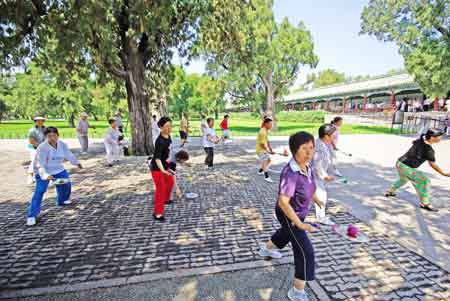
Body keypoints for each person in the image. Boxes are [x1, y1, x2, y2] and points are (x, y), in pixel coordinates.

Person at [258, 131, 324, 301]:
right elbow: (283, 203)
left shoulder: (306, 166)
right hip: (288, 214)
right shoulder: (290, 173)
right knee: (305, 251)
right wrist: (300, 225)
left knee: (286, 233)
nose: (309, 153)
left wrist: (316, 199)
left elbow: (309, 186)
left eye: (311, 148)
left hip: (298, 213)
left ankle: (266, 249)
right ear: (295, 150)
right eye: (304, 149)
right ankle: (297, 291)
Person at [27, 127, 82, 226]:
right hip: (42, 172)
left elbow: (69, 154)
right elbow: (40, 164)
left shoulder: (62, 144)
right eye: (49, 136)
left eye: (54, 135)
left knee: (66, 183)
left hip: (58, 170)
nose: (52, 138)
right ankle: (32, 215)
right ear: (45, 137)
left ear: (58, 135)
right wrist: (46, 175)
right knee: (40, 191)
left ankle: (61, 200)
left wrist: (76, 163)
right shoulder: (42, 147)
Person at [385, 129, 450, 212]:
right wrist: (443, 173)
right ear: (432, 137)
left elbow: (413, 142)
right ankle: (425, 203)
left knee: (403, 179)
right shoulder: (429, 150)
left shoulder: (421, 139)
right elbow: (432, 164)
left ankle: (390, 191)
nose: (441, 138)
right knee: (425, 181)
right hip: (406, 167)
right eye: (439, 136)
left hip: (399, 163)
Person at [150, 117, 174, 221]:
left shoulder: (168, 136)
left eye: (170, 126)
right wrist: (163, 170)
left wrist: (169, 166)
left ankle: (166, 199)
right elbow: (157, 158)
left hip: (165, 165)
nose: (169, 128)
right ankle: (157, 213)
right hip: (157, 168)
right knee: (160, 189)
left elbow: (169, 150)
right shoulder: (159, 141)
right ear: (160, 127)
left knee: (170, 182)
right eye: (166, 126)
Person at [312, 124, 337, 226]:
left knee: (318, 195)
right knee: (321, 195)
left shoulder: (322, 143)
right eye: (333, 135)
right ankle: (321, 218)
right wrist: (324, 176)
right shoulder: (319, 146)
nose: (334, 137)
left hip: (317, 175)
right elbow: (317, 163)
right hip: (314, 175)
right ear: (326, 136)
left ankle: (320, 216)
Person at [26, 116, 47, 184]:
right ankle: (30, 176)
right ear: (35, 122)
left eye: (42, 120)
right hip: (33, 148)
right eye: (38, 121)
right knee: (34, 161)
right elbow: (31, 141)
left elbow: (48, 137)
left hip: (43, 147)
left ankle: (41, 175)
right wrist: (39, 146)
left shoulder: (45, 129)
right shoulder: (32, 130)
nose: (40, 122)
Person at [256, 117, 275, 182]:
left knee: (269, 161)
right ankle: (266, 176)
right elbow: (262, 144)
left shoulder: (265, 130)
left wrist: (270, 149)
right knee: (265, 161)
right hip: (261, 150)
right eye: (270, 124)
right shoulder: (262, 132)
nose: (271, 126)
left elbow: (267, 140)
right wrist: (268, 151)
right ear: (266, 124)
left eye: (272, 124)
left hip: (263, 150)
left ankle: (260, 171)